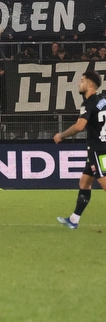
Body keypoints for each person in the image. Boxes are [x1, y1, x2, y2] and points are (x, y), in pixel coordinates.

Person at [54, 69, 106, 229]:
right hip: (100, 147)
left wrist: (62, 135)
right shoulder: (103, 100)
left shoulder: (88, 103)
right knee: (84, 182)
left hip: (99, 149)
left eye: (82, 80)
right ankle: (74, 220)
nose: (79, 83)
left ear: (90, 84)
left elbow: (79, 126)